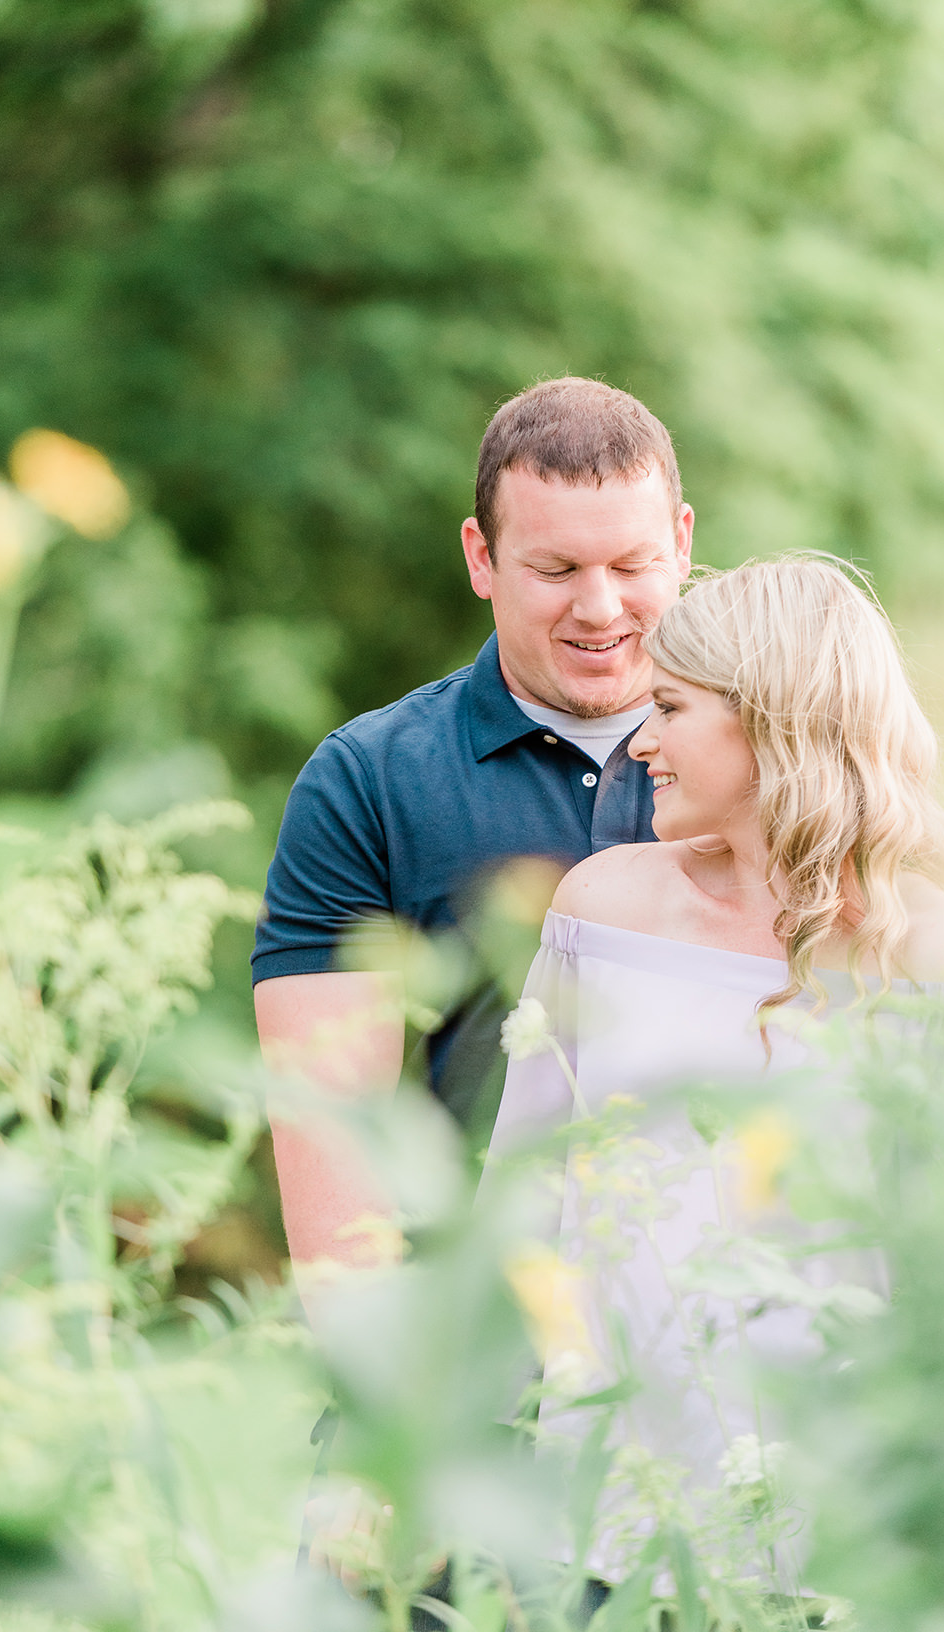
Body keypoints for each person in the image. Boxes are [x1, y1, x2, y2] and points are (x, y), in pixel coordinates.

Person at [487, 556, 944, 1589]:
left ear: (773, 722)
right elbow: (516, 1201)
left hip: (841, 1562)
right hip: (592, 1536)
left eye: (672, 708)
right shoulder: (599, 912)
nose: (639, 741)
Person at [252, 377, 695, 1290]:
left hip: (718, 1352)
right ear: (482, 558)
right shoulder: (369, 780)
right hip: (474, 1351)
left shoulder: (785, 763)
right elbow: (333, 1132)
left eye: (632, 565)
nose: (602, 608)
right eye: (557, 570)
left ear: (683, 542)